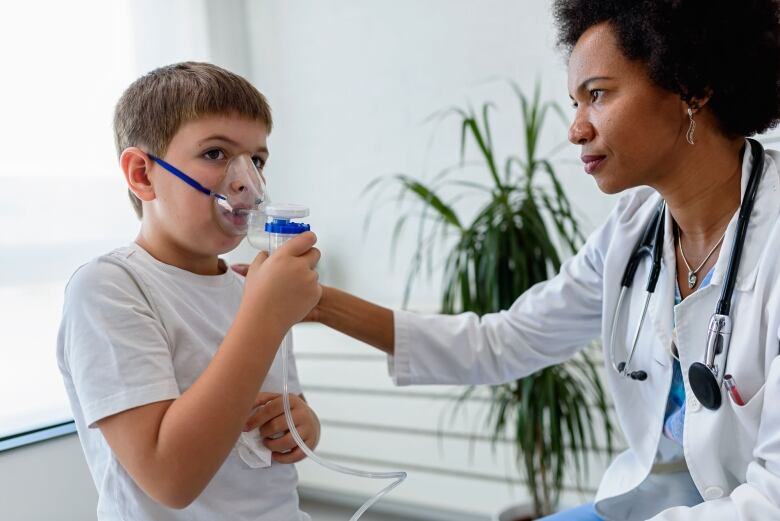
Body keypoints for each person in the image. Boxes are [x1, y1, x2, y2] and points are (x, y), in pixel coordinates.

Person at [304, 1, 780, 519]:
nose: (576, 129)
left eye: (597, 95)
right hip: (645, 504)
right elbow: (504, 342)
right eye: (575, 102)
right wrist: (320, 304)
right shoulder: (632, 229)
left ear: (691, 86)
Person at [57, 62, 322, 521]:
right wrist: (265, 315)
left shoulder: (252, 287)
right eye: (217, 154)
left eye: (256, 160)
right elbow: (170, 479)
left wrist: (300, 425)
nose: (246, 182)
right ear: (143, 174)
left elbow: (272, 417)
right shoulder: (110, 289)